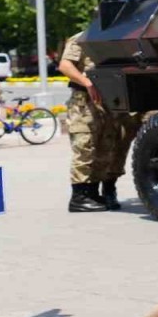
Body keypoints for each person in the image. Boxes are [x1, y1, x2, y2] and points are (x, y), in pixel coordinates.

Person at [58, 30, 108, 211]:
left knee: (101, 149)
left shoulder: (109, 35)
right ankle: (79, 198)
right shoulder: (81, 38)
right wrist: (86, 82)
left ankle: (92, 194)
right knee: (84, 147)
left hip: (103, 102)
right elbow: (64, 66)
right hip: (83, 102)